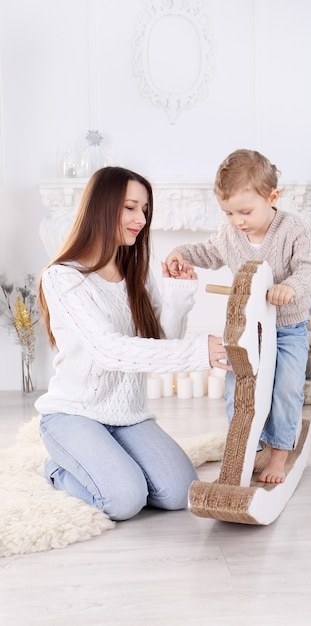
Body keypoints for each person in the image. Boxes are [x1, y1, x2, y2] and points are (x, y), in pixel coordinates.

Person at [35, 166, 230, 521]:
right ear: (102, 207)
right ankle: (58, 470)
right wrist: (202, 350)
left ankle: (105, 462)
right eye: (130, 207)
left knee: (178, 491)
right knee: (124, 500)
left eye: (144, 209)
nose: (140, 218)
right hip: (74, 414)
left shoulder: (134, 274)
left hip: (127, 414)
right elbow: (109, 350)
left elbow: (160, 345)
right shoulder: (62, 278)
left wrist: (177, 296)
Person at [164, 149, 311, 484]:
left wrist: (290, 287)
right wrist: (183, 253)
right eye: (229, 213)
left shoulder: (294, 230)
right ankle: (251, 444)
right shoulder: (229, 233)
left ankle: (279, 454)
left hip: (287, 329)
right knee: (238, 386)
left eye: (245, 212)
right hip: (248, 329)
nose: (238, 220)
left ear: (272, 197)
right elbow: (209, 251)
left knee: (285, 388)